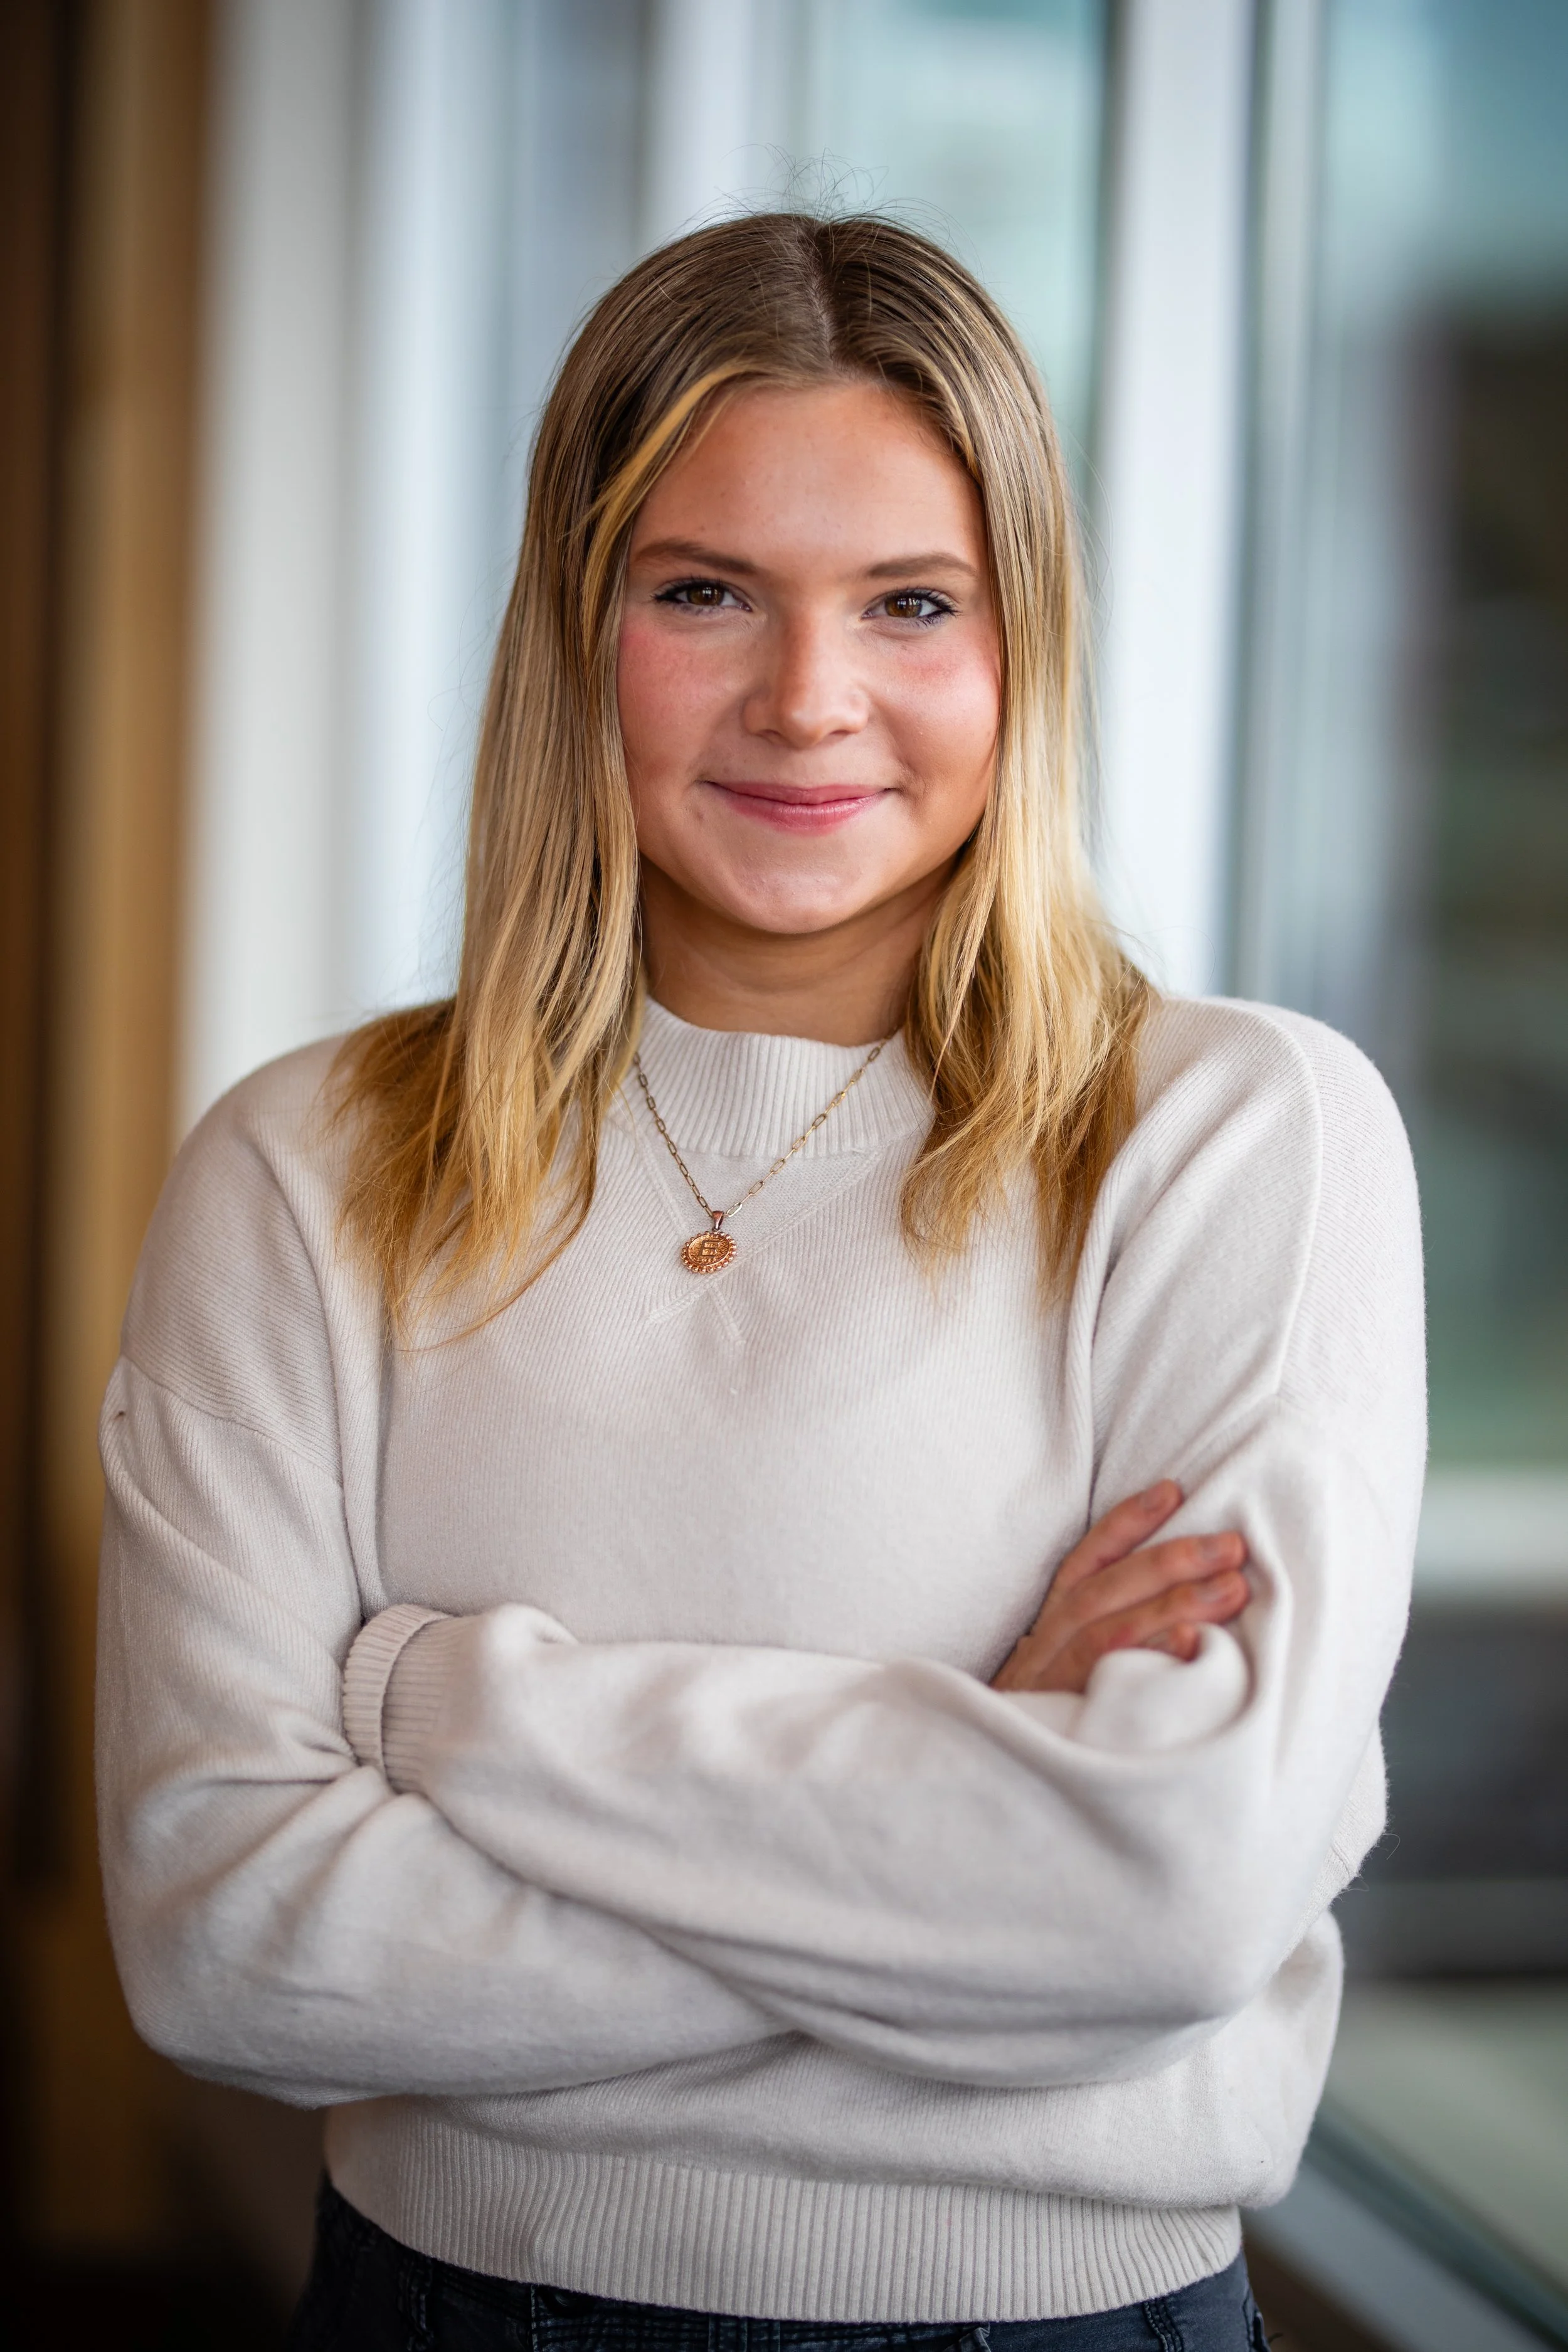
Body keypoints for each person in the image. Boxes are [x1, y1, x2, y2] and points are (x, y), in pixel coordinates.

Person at [96, 213, 1425, 2351]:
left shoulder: (1230, 1134)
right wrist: (966, 1795)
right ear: (577, 627)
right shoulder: (310, 1163)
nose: (811, 699)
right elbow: (225, 1938)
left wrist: (453, 1706)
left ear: (1025, 649)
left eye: (912, 604)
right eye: (703, 591)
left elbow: (1159, 1899)